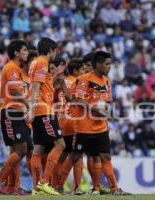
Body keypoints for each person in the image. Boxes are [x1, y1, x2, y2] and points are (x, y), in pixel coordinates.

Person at [61, 51, 130, 195]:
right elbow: (79, 100)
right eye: (107, 64)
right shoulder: (84, 79)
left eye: (110, 64)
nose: (110, 67)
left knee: (105, 157)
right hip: (84, 127)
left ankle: (113, 189)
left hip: (101, 128)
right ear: (98, 65)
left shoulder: (107, 81)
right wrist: (95, 110)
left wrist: (107, 111)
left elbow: (107, 102)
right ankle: (58, 186)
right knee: (75, 156)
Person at [26, 37, 66, 195]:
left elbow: (42, 85)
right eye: (55, 50)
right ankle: (44, 182)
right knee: (60, 145)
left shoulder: (35, 63)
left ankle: (36, 188)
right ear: (50, 50)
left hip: (39, 110)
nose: (56, 53)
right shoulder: (42, 63)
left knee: (38, 148)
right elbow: (36, 88)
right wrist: (31, 109)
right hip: (43, 111)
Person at [0, 40, 30, 194]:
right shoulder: (11, 68)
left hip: (16, 112)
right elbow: (14, 92)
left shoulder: (17, 69)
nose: (27, 53)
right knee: (21, 149)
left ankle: (12, 188)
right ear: (16, 53)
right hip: (11, 112)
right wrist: (28, 105)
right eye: (25, 50)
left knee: (17, 150)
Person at [5, 45, 38, 195]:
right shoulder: (16, 73)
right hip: (13, 113)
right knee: (17, 150)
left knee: (28, 151)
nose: (34, 65)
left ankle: (35, 185)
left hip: (26, 116)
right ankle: (12, 185)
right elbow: (12, 93)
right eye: (32, 61)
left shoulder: (30, 79)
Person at [53, 58, 86, 194]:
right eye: (83, 70)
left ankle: (56, 185)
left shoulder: (61, 82)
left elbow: (53, 99)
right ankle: (75, 186)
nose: (84, 72)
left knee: (62, 156)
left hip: (61, 121)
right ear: (75, 71)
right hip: (74, 122)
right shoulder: (79, 82)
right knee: (77, 155)